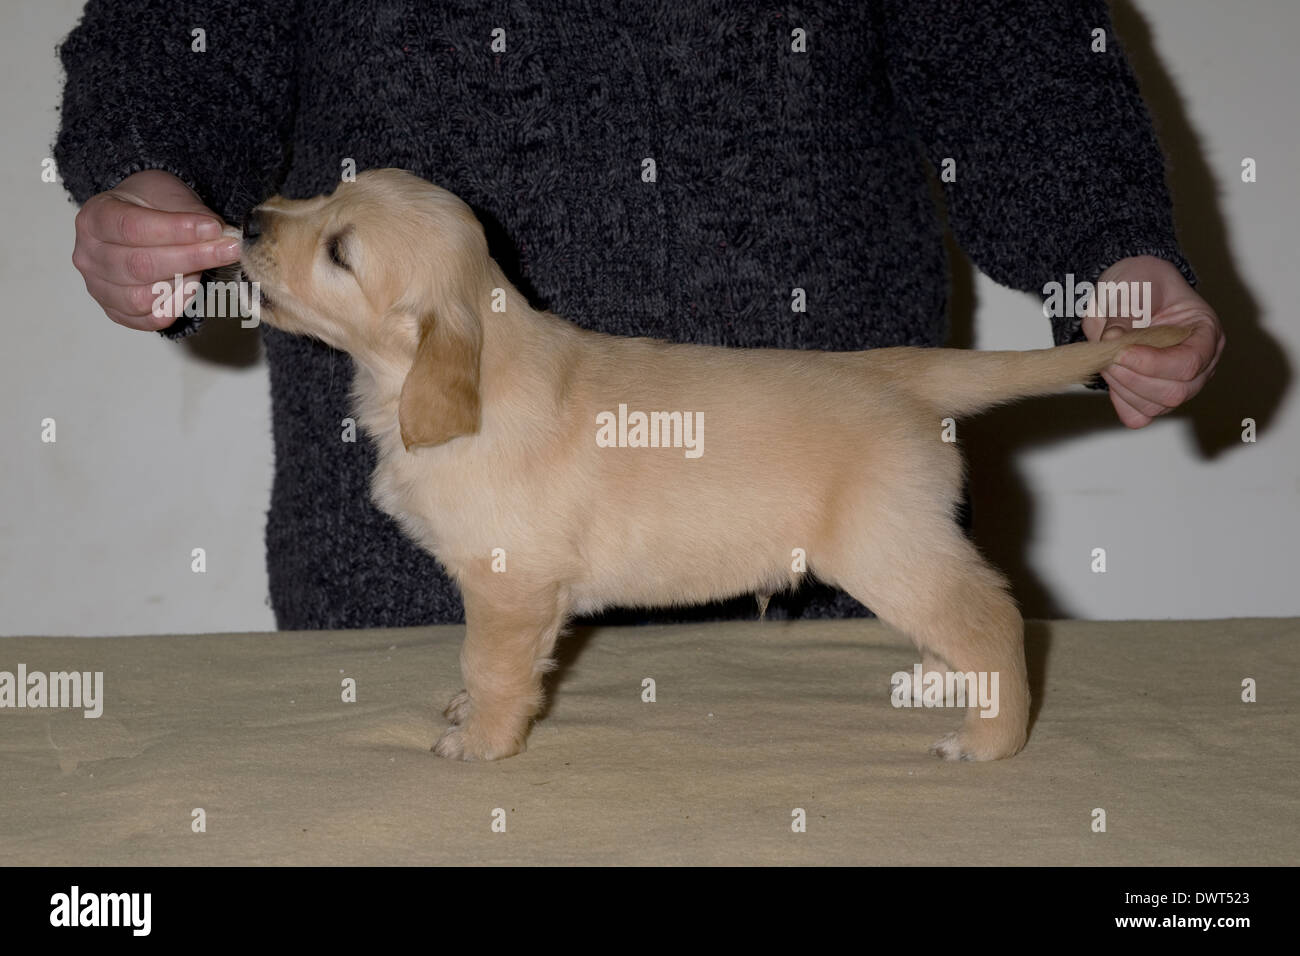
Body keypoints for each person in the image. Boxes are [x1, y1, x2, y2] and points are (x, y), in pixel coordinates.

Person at [56, 1, 1224, 630]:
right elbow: (181, 35)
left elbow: (1003, 46)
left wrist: (1103, 256)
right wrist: (147, 174)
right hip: (415, 587)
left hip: (816, 546)